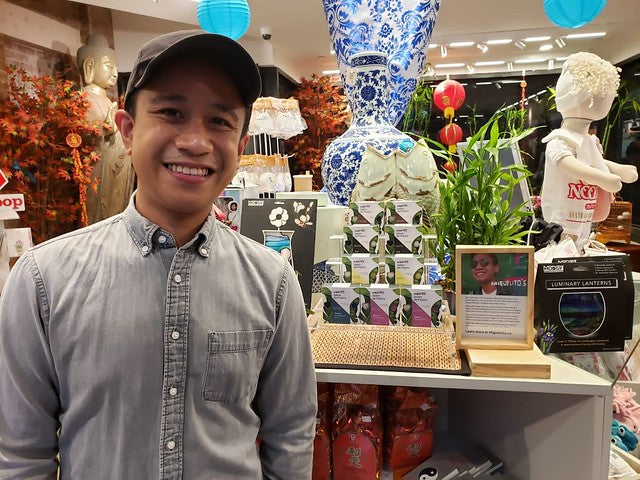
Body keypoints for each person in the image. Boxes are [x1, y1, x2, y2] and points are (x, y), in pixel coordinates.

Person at [0, 30, 317, 479]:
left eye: (220, 122)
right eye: (172, 112)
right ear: (128, 130)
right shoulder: (43, 281)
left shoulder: (274, 283)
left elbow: (291, 434)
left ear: (240, 146)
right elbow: (19, 456)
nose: (195, 142)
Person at [77, 33, 135, 223]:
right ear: (89, 67)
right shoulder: (82, 99)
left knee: (118, 208)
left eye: (117, 68)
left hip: (118, 168)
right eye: (109, 66)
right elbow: (83, 136)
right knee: (99, 214)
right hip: (99, 172)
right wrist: (107, 128)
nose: (115, 73)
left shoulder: (107, 100)